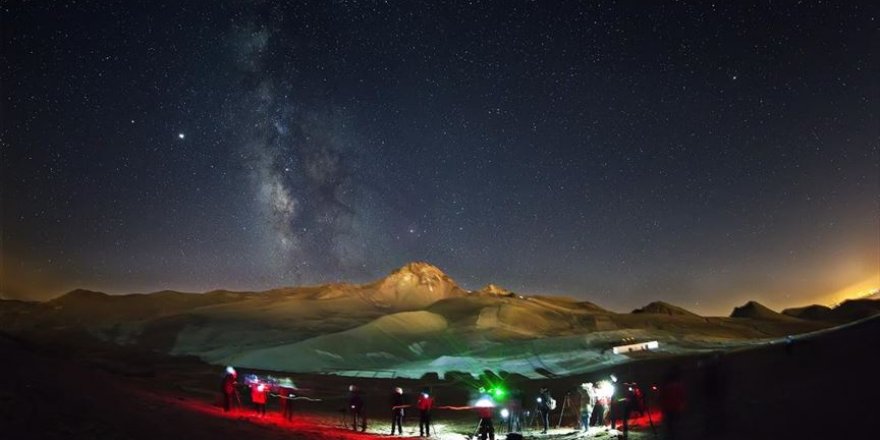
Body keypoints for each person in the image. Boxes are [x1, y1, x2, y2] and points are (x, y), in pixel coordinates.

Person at [659, 367, 686, 440]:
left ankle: (672, 435)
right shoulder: (677, 386)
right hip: (674, 407)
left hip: (670, 408)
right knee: (674, 423)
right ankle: (674, 435)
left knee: (670, 424)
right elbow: (681, 396)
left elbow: (663, 397)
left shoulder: (667, 387)